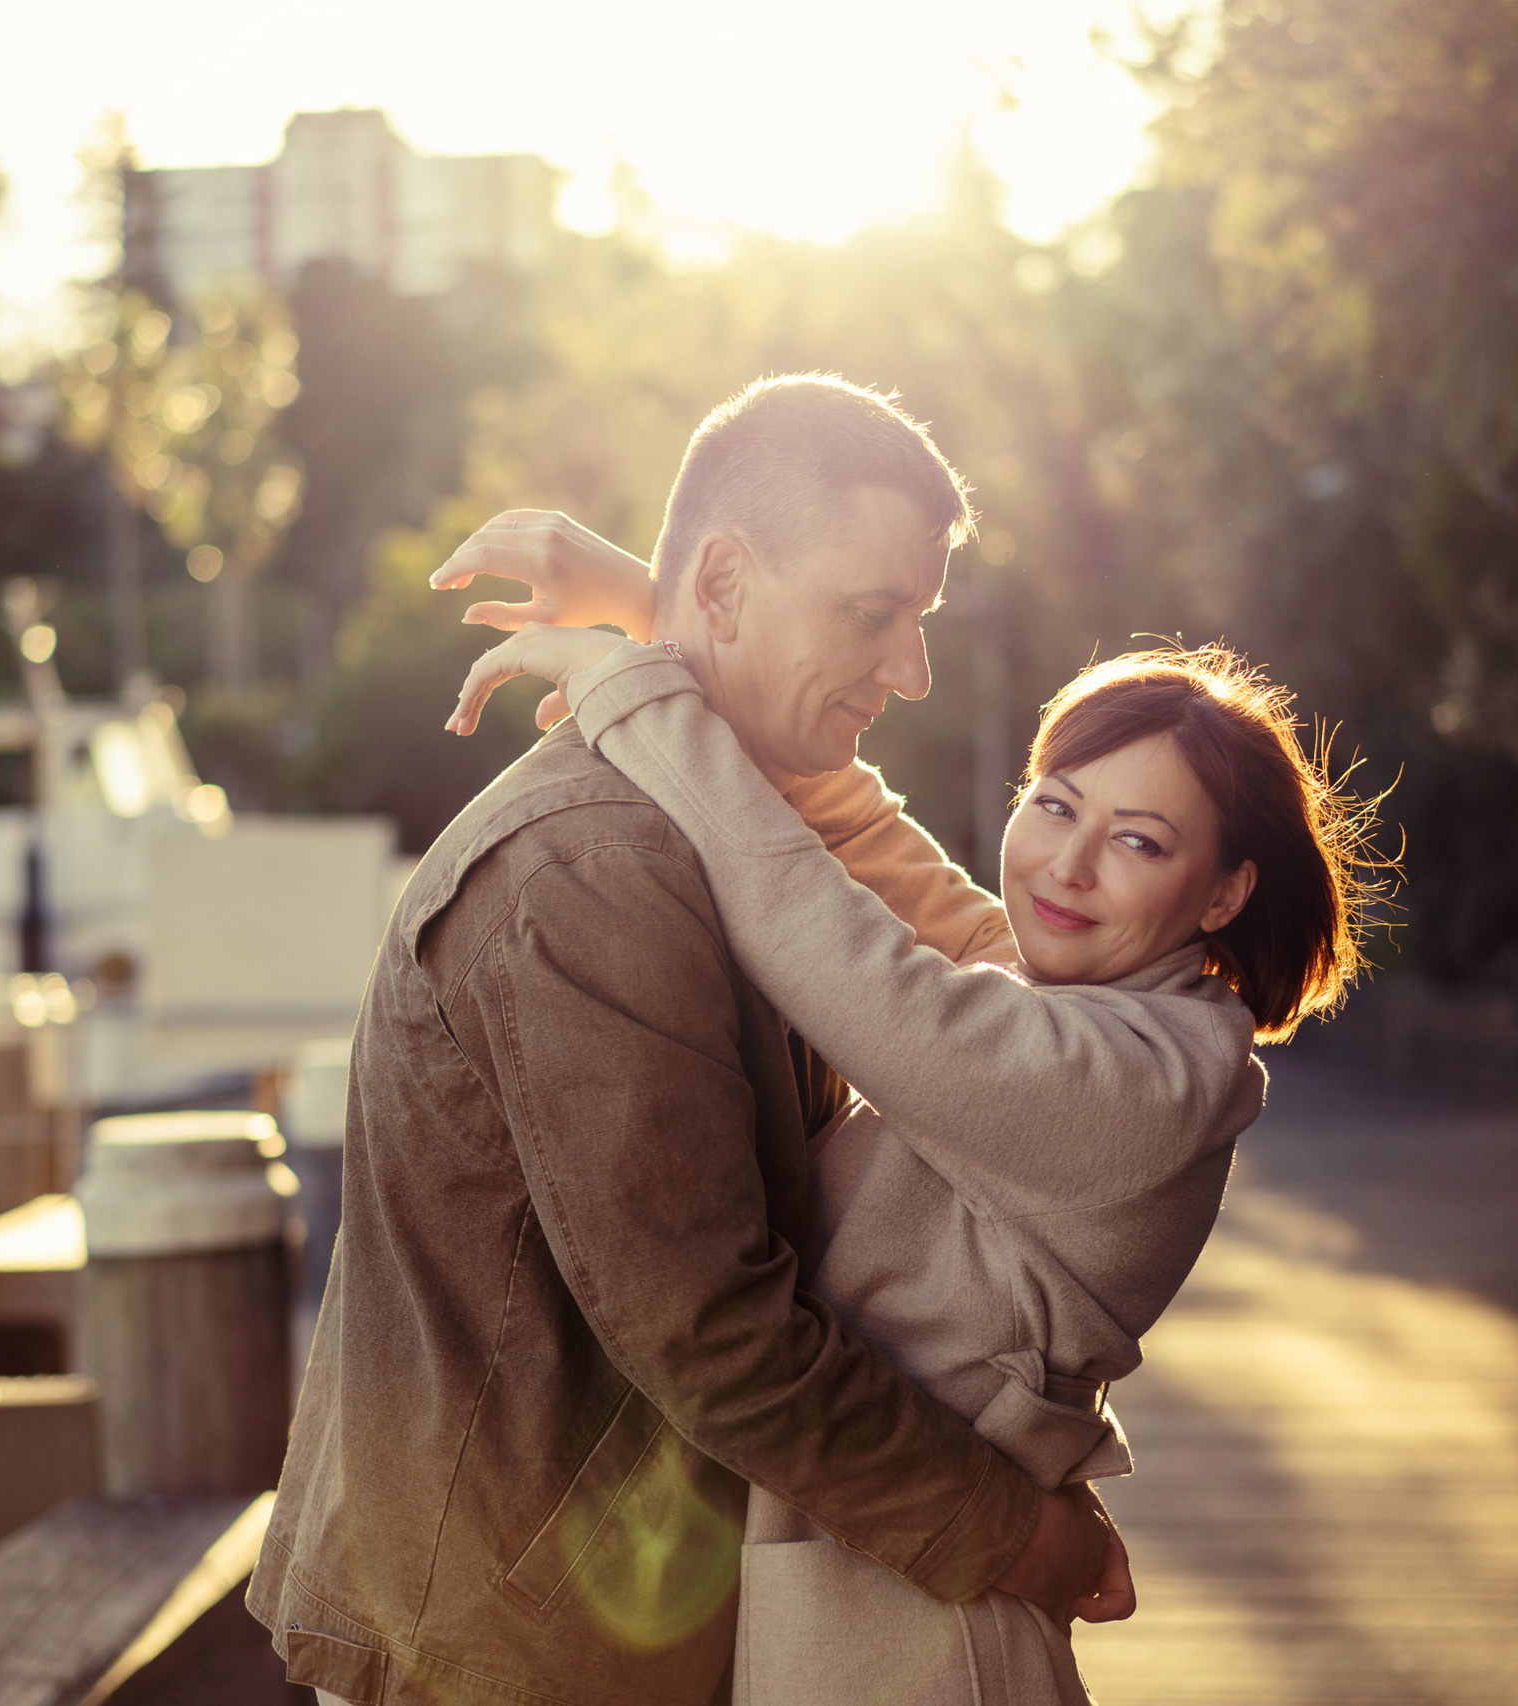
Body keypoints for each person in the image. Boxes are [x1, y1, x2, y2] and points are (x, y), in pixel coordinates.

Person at [246, 375, 1123, 1706]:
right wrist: (1016, 1532)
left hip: (599, 1621)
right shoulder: (595, 868)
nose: (913, 671)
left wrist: (660, 626)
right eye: (872, 617)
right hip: (510, 1650)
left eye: (920, 621)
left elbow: (995, 996)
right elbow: (715, 1330)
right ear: (725, 584)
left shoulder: (721, 815)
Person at [438, 543, 1377, 1703]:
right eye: (1054, 803)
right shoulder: (1076, 1004)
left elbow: (825, 933)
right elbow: (863, 843)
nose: (1067, 864)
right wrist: (672, 610)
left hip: (925, 1636)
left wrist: (628, 687)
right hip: (879, 1590)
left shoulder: (1137, 1076)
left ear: (1224, 893)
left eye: (1138, 840)